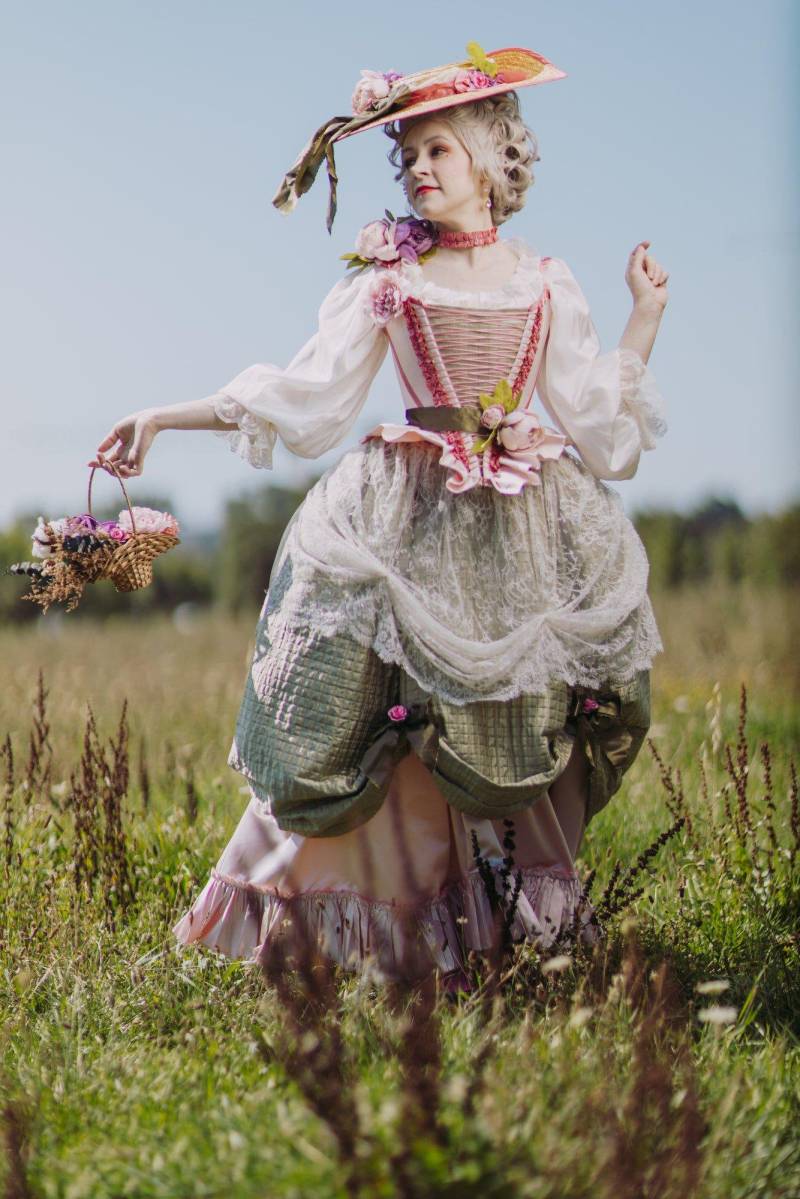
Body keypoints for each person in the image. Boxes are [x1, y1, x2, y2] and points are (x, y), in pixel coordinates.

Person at [89, 45, 669, 987]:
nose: (418, 171)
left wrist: (644, 316)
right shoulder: (388, 279)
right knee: (383, 722)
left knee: (510, 720)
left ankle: (514, 934)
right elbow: (304, 394)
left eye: (436, 149)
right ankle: (377, 934)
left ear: (489, 154)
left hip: (525, 527)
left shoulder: (544, 281)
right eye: (405, 157)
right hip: (410, 522)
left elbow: (600, 431)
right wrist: (164, 413)